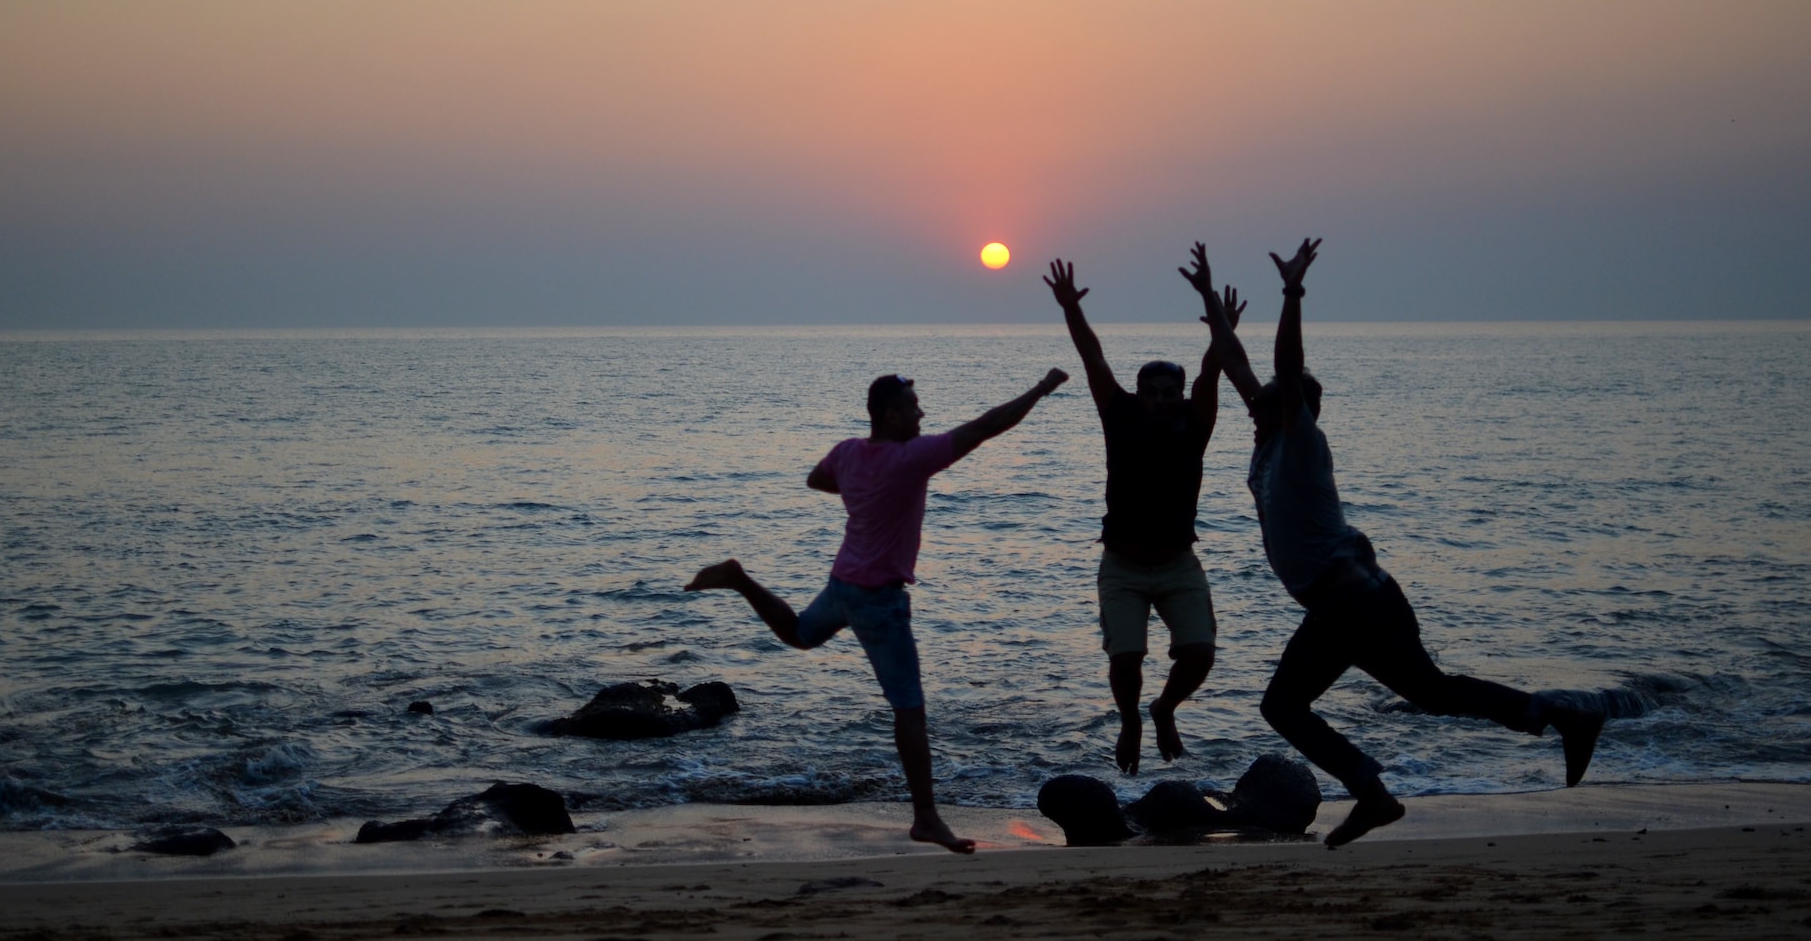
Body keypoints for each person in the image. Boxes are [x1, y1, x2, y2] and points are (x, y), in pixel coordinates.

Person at [1181, 239, 1606, 848]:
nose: (1253, 412)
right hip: (1364, 599)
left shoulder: (1301, 446)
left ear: (1293, 412)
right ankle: (1563, 715)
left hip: (1348, 601)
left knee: (1282, 707)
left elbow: (1283, 360)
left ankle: (1372, 792)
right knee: (1430, 692)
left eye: (1266, 407)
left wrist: (1292, 292)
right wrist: (1208, 298)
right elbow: (1240, 362)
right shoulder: (1269, 440)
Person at [685, 366, 1069, 854]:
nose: (922, 413)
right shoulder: (911, 458)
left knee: (801, 634)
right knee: (909, 708)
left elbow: (815, 479)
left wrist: (861, 491)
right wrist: (1040, 388)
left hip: (843, 584)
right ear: (890, 415)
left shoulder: (848, 453)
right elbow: (986, 427)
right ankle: (926, 817)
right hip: (880, 600)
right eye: (913, 406)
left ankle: (740, 579)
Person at [1042, 259, 1246, 773]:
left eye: (1167, 393)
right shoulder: (1119, 414)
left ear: (1179, 397)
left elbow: (1212, 368)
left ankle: (1164, 709)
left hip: (1178, 564)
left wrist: (1217, 317)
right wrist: (1072, 307)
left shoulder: (1196, 422)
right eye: (1150, 392)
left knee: (1199, 654)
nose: (1158, 401)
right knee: (1125, 659)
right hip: (1123, 567)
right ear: (1138, 393)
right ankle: (1132, 718)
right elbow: (1093, 357)